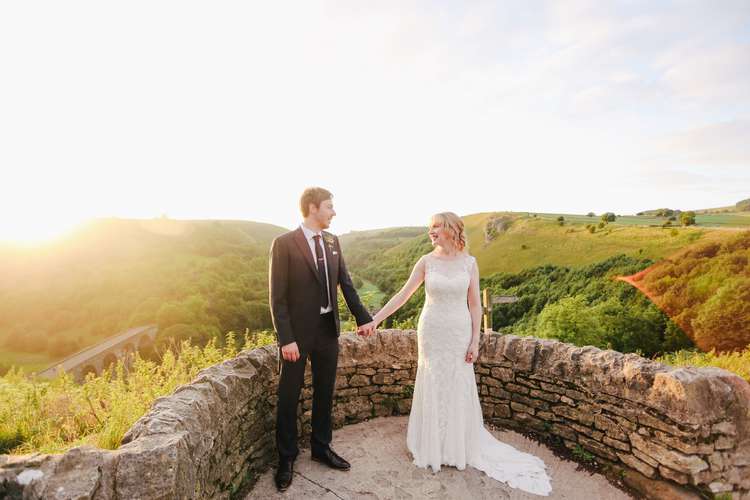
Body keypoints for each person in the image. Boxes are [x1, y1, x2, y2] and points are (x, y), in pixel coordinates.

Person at [367, 212, 552, 496]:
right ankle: (432, 446)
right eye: (431, 227)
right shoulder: (426, 262)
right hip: (431, 331)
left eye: (438, 227)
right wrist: (376, 320)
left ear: (452, 230)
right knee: (434, 381)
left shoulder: (469, 263)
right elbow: (402, 296)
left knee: (457, 383)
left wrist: (475, 340)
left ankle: (457, 445)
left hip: (458, 332)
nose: (432, 232)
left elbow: (475, 305)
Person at [268, 187, 376, 492]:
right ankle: (286, 458)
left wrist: (363, 316)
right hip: (297, 337)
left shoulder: (332, 241)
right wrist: (285, 339)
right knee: (289, 396)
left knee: (325, 392)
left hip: (328, 330)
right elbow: (277, 299)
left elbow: (346, 284)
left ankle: (321, 447)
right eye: (329, 206)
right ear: (313, 208)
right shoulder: (284, 244)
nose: (334, 212)